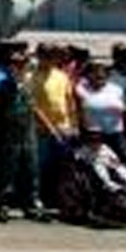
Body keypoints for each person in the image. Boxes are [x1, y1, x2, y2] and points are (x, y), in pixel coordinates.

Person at [0, 46, 46, 221]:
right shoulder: (0, 88)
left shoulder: (28, 87)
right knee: (5, 173)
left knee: (30, 170)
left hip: (27, 134)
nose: (18, 67)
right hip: (7, 135)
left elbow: (33, 109)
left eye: (21, 64)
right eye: (15, 64)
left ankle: (30, 204)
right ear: (9, 66)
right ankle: (1, 204)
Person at [29, 43, 78, 207]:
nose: (49, 59)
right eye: (45, 55)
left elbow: (69, 101)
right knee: (41, 166)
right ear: (38, 56)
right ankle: (38, 198)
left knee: (62, 166)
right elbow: (33, 106)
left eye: (52, 55)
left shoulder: (62, 76)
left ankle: (59, 198)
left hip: (63, 129)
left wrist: (74, 124)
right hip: (42, 130)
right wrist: (49, 128)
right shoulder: (32, 77)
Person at [75, 60, 126, 159]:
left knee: (121, 160)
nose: (99, 78)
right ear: (89, 76)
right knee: (96, 163)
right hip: (94, 135)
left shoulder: (117, 89)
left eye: (102, 75)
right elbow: (78, 111)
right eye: (95, 75)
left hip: (116, 133)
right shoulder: (81, 89)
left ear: (107, 76)